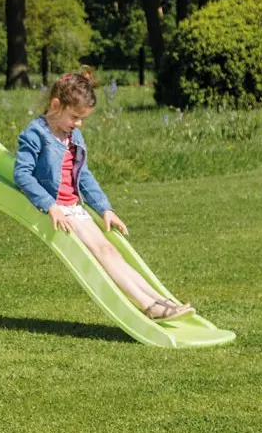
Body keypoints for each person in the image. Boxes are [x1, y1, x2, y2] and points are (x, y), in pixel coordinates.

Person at [13, 68, 194, 321]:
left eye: (82, 119)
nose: (78, 124)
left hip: (75, 208)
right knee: (102, 253)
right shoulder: (36, 134)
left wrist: (105, 209)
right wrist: (49, 205)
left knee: (110, 250)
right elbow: (22, 174)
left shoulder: (73, 136)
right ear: (55, 105)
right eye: (75, 117)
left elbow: (84, 176)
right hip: (59, 209)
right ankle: (148, 306)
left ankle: (159, 300)